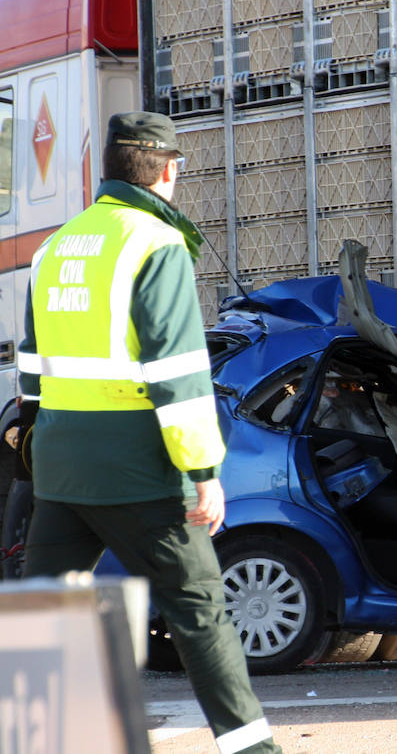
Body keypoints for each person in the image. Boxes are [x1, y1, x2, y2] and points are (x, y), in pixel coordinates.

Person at [17, 111, 282, 754]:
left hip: (61, 465)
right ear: (167, 171)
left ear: (109, 168)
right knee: (200, 611)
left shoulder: (56, 245)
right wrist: (202, 473)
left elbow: (30, 364)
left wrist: (34, 446)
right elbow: (178, 372)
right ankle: (253, 749)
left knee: (42, 614)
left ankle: (35, 741)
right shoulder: (155, 244)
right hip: (137, 468)